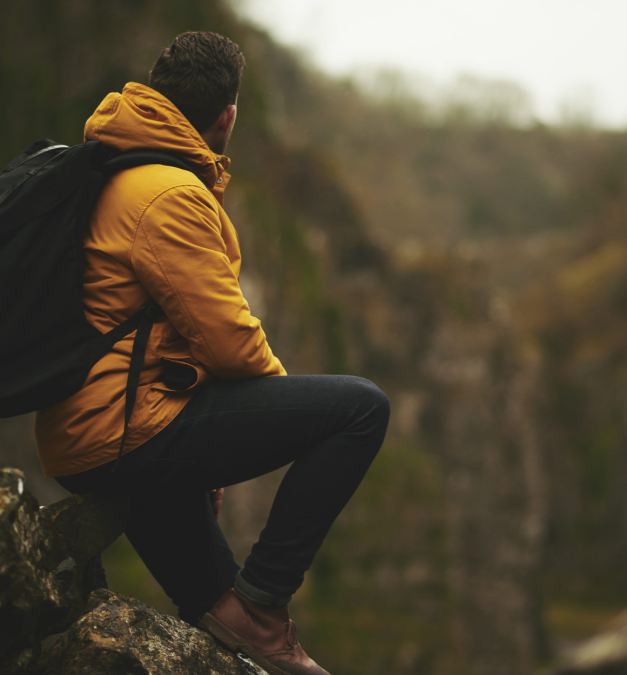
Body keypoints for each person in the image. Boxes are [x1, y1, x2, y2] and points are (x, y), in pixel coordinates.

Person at [34, 31, 389, 675]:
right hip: (124, 434)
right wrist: (270, 414)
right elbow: (229, 341)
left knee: (224, 624)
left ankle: (251, 620)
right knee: (358, 409)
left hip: (97, 435)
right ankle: (267, 602)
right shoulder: (167, 193)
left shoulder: (113, 167)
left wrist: (210, 447)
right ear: (227, 115)